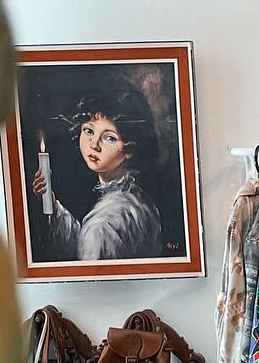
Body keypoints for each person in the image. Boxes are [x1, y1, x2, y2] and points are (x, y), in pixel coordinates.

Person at [32, 77, 164, 262]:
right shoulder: (138, 198)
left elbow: (90, 264)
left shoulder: (104, 224)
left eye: (109, 138)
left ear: (130, 148)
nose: (94, 144)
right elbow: (85, 246)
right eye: (89, 131)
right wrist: (53, 207)